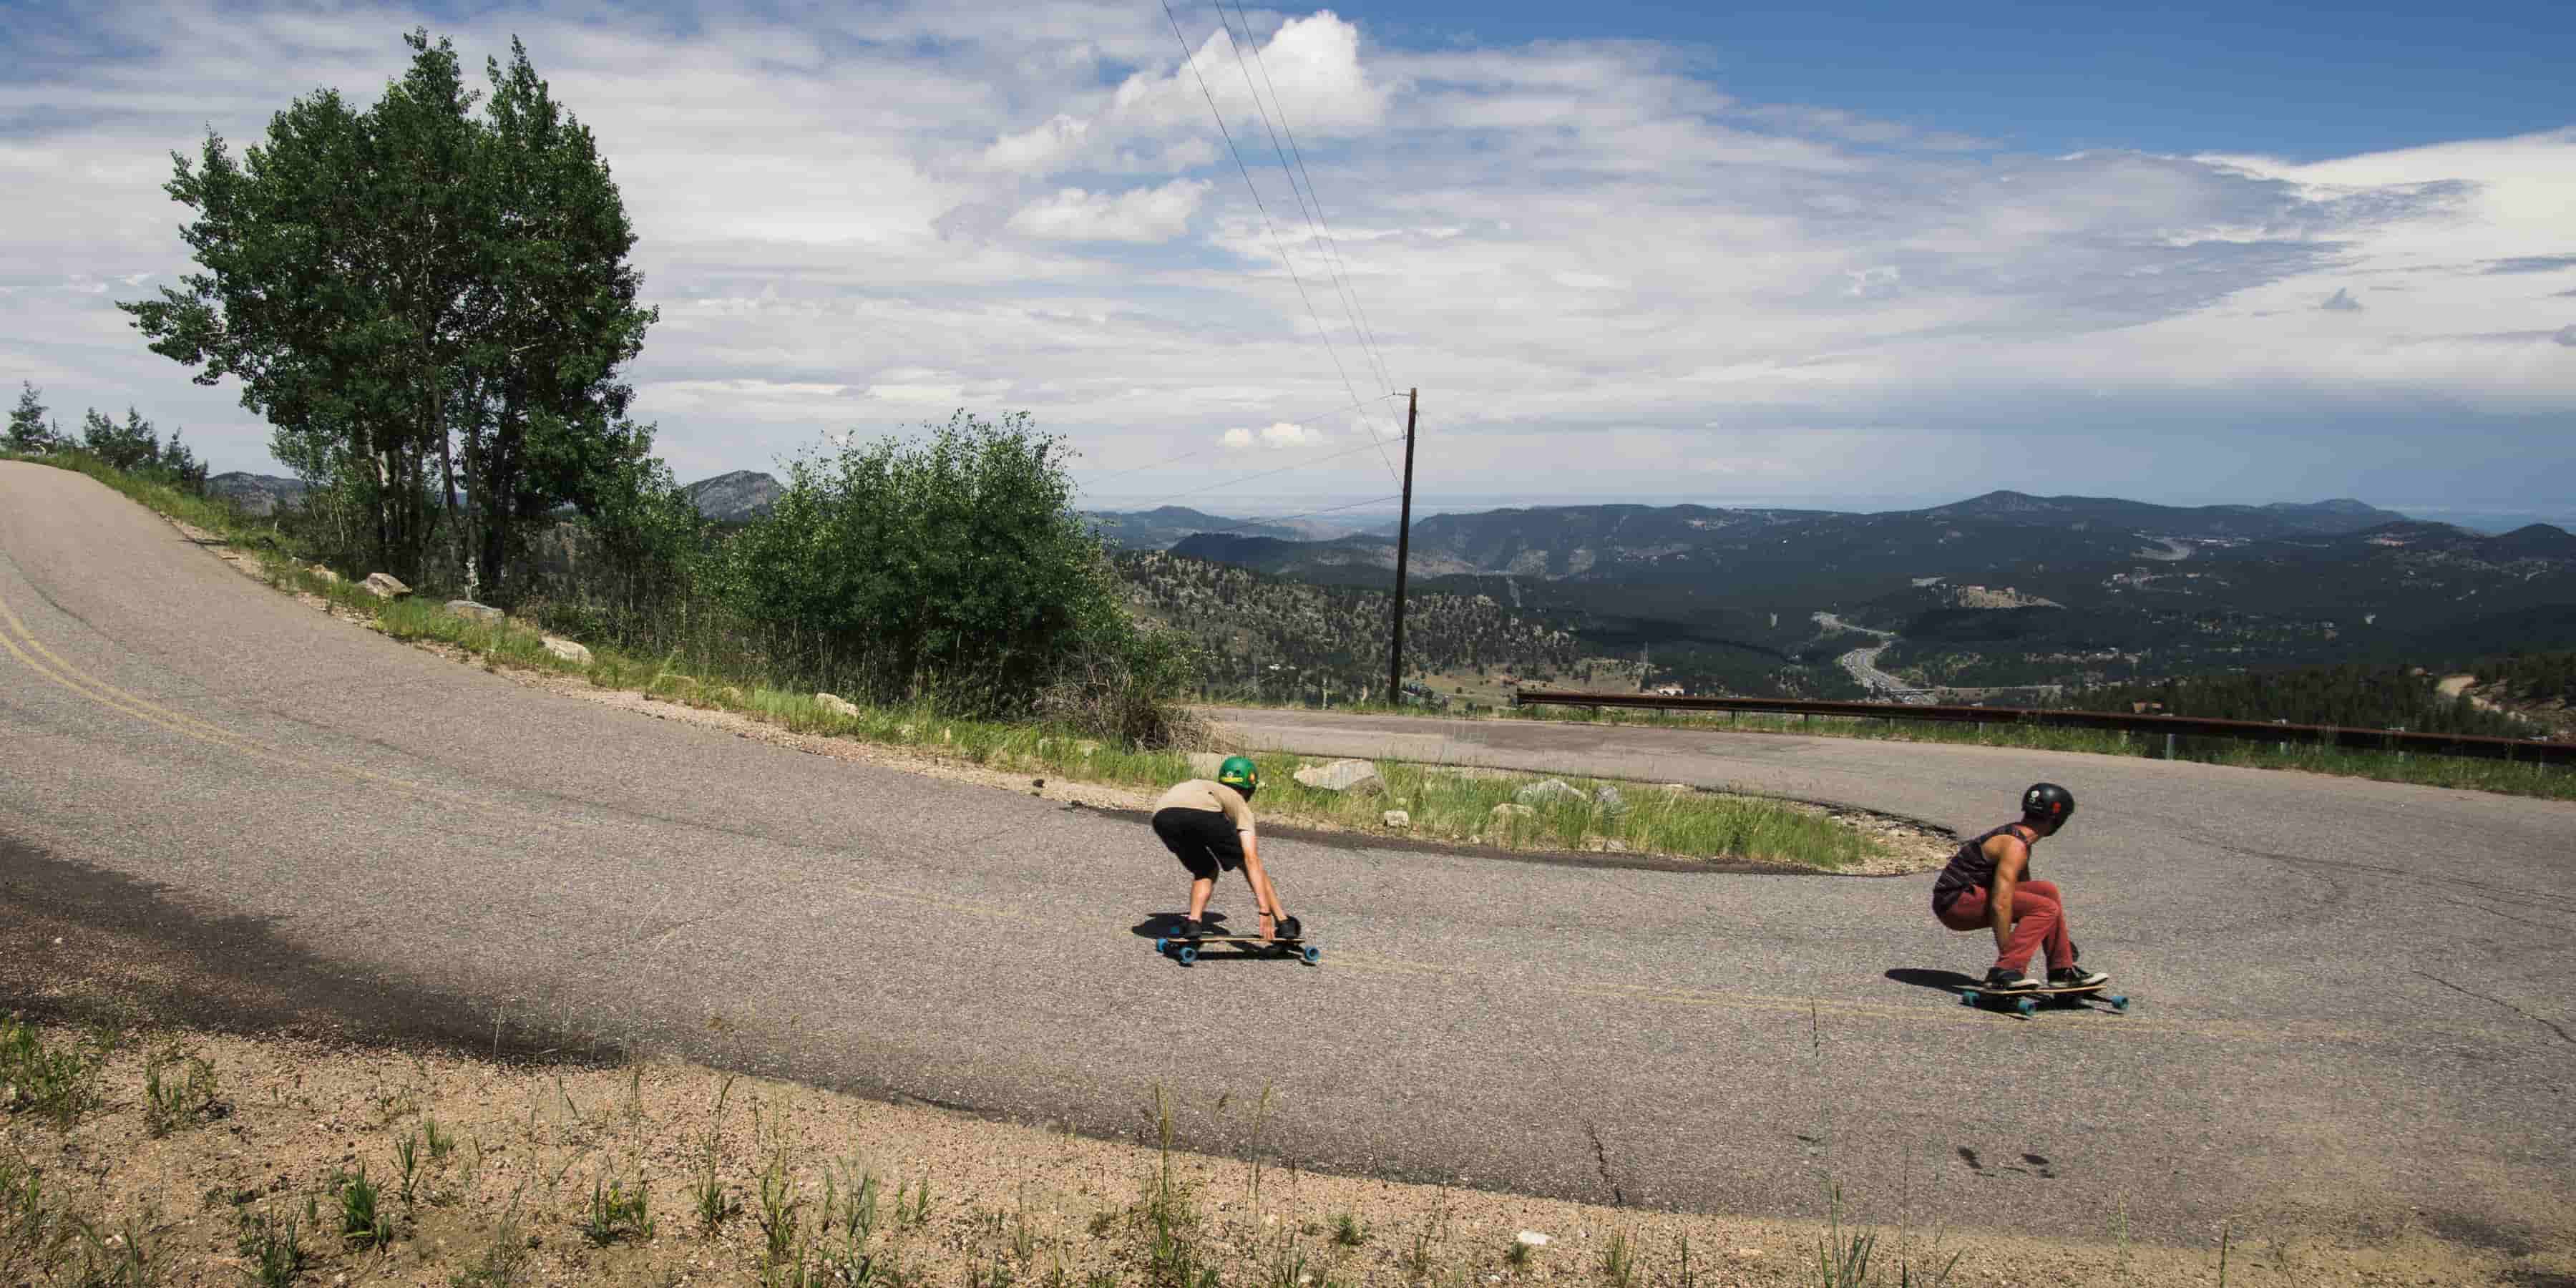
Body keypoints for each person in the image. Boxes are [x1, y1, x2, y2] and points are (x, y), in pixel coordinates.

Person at [1931, 782, 2109, 993]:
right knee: (2045, 908)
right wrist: (2008, 957)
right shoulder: (2014, 846)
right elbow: (2001, 904)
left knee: (2046, 891)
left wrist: (2058, 942)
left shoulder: (2020, 838)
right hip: (1954, 905)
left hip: (1963, 897)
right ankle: (2004, 975)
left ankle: (2062, 970)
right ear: (2058, 819)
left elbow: (2024, 892)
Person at [1151, 756, 1299, 941]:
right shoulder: (1238, 801)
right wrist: (1264, 911)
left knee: (1205, 868)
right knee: (1247, 863)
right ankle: (1284, 922)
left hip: (1162, 816)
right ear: (1249, 790)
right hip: (1203, 813)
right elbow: (1251, 859)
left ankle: (1193, 923)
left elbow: (1182, 809)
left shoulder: (1205, 787)